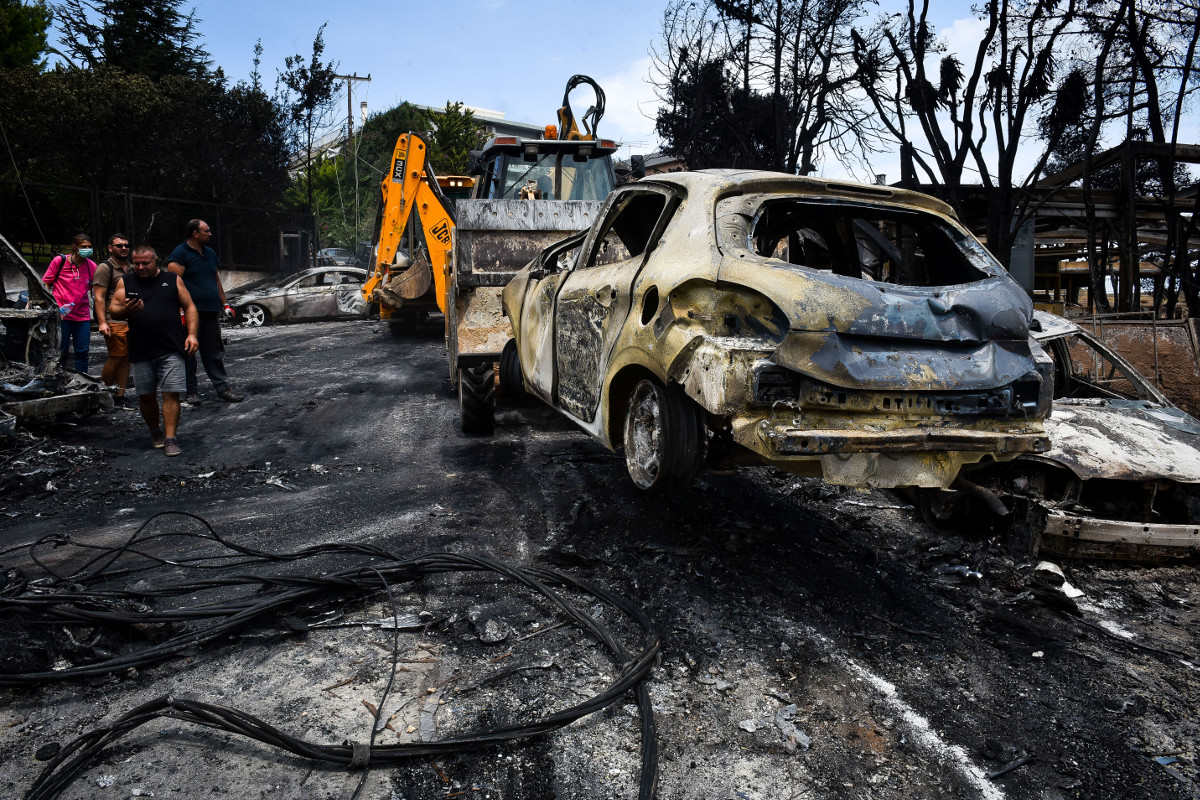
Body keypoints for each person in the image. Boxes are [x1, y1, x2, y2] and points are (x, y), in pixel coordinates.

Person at [109, 245, 199, 458]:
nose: (140, 267)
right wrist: (125, 311)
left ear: (156, 259)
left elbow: (190, 307)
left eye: (145, 263)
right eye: (137, 263)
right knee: (146, 396)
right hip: (141, 348)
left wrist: (192, 334)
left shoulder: (172, 279)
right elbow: (113, 307)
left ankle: (170, 438)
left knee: (171, 393)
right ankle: (155, 432)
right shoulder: (126, 281)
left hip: (171, 346)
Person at [166, 219, 242, 403]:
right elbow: (172, 285)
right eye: (206, 231)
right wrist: (179, 311)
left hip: (210, 311)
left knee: (214, 351)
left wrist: (224, 304)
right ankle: (191, 391)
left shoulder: (209, 253)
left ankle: (222, 388)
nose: (210, 234)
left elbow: (216, 280)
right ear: (194, 233)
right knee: (189, 351)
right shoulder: (179, 254)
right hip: (191, 313)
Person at [42, 233, 97, 373]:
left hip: (82, 315)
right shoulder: (60, 261)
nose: (87, 249)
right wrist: (50, 306)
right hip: (61, 316)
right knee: (61, 351)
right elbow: (46, 284)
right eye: (84, 246)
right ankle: (59, 379)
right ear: (75, 247)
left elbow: (95, 291)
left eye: (90, 247)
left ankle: (83, 379)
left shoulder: (92, 266)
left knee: (83, 351)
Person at [92, 233, 133, 406]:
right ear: (110, 248)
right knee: (116, 356)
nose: (123, 248)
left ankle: (119, 395)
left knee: (126, 358)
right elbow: (99, 298)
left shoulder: (131, 268)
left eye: (126, 245)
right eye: (119, 245)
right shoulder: (105, 268)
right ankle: (104, 394)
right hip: (113, 319)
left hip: (131, 319)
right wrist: (102, 322)